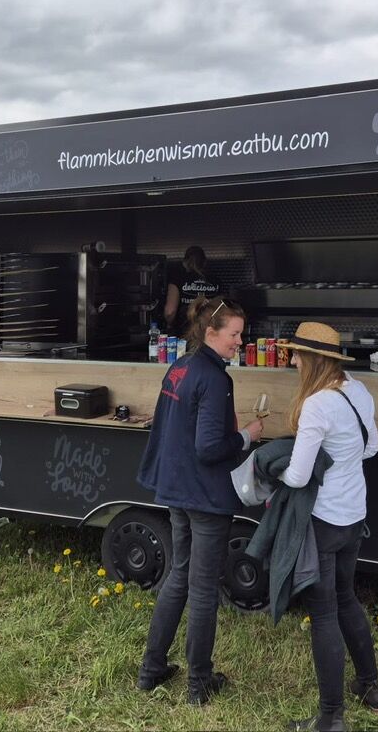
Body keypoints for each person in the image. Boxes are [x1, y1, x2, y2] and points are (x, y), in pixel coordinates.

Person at [136, 295, 264, 705]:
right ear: (211, 332)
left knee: (178, 576)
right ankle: (199, 683)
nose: (240, 342)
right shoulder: (214, 378)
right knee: (204, 589)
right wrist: (247, 435)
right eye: (235, 334)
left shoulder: (179, 366)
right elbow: (210, 447)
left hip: (176, 489)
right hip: (206, 497)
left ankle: (151, 669)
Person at [279, 322, 378, 732]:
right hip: (354, 513)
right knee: (347, 598)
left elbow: (299, 476)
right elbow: (371, 446)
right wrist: (342, 460)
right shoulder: (356, 390)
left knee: (323, 614)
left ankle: (330, 717)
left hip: (323, 519)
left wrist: (275, 472)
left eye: (296, 355)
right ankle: (370, 687)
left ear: (313, 360)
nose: (291, 360)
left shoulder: (317, 406)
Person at [164, 246, 220, 337]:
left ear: (185, 262)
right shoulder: (216, 281)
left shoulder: (177, 279)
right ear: (204, 262)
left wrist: (169, 325)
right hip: (210, 334)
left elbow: (170, 312)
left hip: (184, 333)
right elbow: (223, 309)